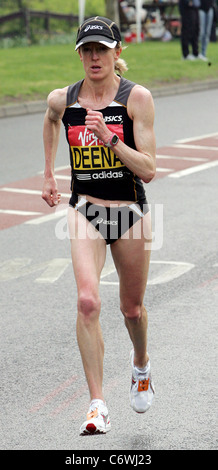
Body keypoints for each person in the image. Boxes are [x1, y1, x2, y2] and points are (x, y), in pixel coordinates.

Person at [42, 16, 156, 435]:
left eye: (101, 50)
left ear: (116, 53)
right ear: (79, 55)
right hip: (85, 209)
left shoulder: (135, 99)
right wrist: (50, 174)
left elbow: (148, 170)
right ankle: (97, 404)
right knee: (88, 302)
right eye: (86, 50)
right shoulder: (65, 98)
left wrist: (110, 138)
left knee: (131, 309)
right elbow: (51, 117)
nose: (94, 57)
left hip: (129, 213)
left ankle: (141, 364)